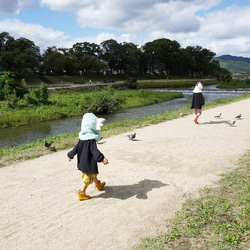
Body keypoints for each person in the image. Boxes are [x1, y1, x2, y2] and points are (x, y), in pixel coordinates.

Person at [67, 113, 109, 201]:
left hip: (83, 162)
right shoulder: (91, 141)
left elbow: (75, 149)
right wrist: (102, 158)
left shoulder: (81, 139)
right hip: (88, 163)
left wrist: (70, 155)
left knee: (93, 174)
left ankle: (98, 184)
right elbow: (95, 151)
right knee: (87, 179)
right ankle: (82, 193)